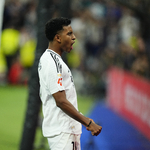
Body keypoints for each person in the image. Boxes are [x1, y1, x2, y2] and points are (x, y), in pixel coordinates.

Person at [38, 17, 102, 150]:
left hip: (66, 130)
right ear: (58, 38)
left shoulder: (55, 60)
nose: (74, 37)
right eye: (69, 34)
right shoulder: (52, 62)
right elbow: (60, 101)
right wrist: (88, 122)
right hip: (63, 131)